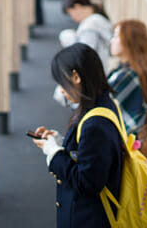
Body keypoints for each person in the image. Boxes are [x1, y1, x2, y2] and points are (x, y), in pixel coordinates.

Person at [32, 43, 123, 228]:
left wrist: (54, 153)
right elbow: (91, 155)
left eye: (62, 82)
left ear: (76, 76)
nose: (61, 90)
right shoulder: (104, 105)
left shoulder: (95, 124)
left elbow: (87, 183)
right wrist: (59, 142)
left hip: (89, 219)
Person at [108, 19, 147, 135]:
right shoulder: (139, 69)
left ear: (128, 41)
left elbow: (101, 103)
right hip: (132, 142)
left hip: (126, 142)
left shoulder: (128, 75)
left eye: (116, 37)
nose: (112, 41)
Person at [60, 0, 112, 73]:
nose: (72, 18)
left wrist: (67, 38)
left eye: (70, 13)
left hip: (97, 73)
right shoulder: (97, 19)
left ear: (77, 7)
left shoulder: (90, 26)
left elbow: (83, 53)